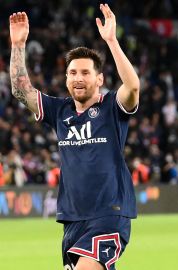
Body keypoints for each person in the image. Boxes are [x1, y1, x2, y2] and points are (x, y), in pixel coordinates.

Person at [9, 4, 140, 270]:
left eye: (85, 72)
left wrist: (112, 41)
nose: (78, 78)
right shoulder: (60, 111)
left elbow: (133, 86)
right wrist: (18, 44)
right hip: (72, 219)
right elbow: (21, 90)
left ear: (99, 78)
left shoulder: (112, 107)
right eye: (72, 73)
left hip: (108, 215)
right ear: (66, 78)